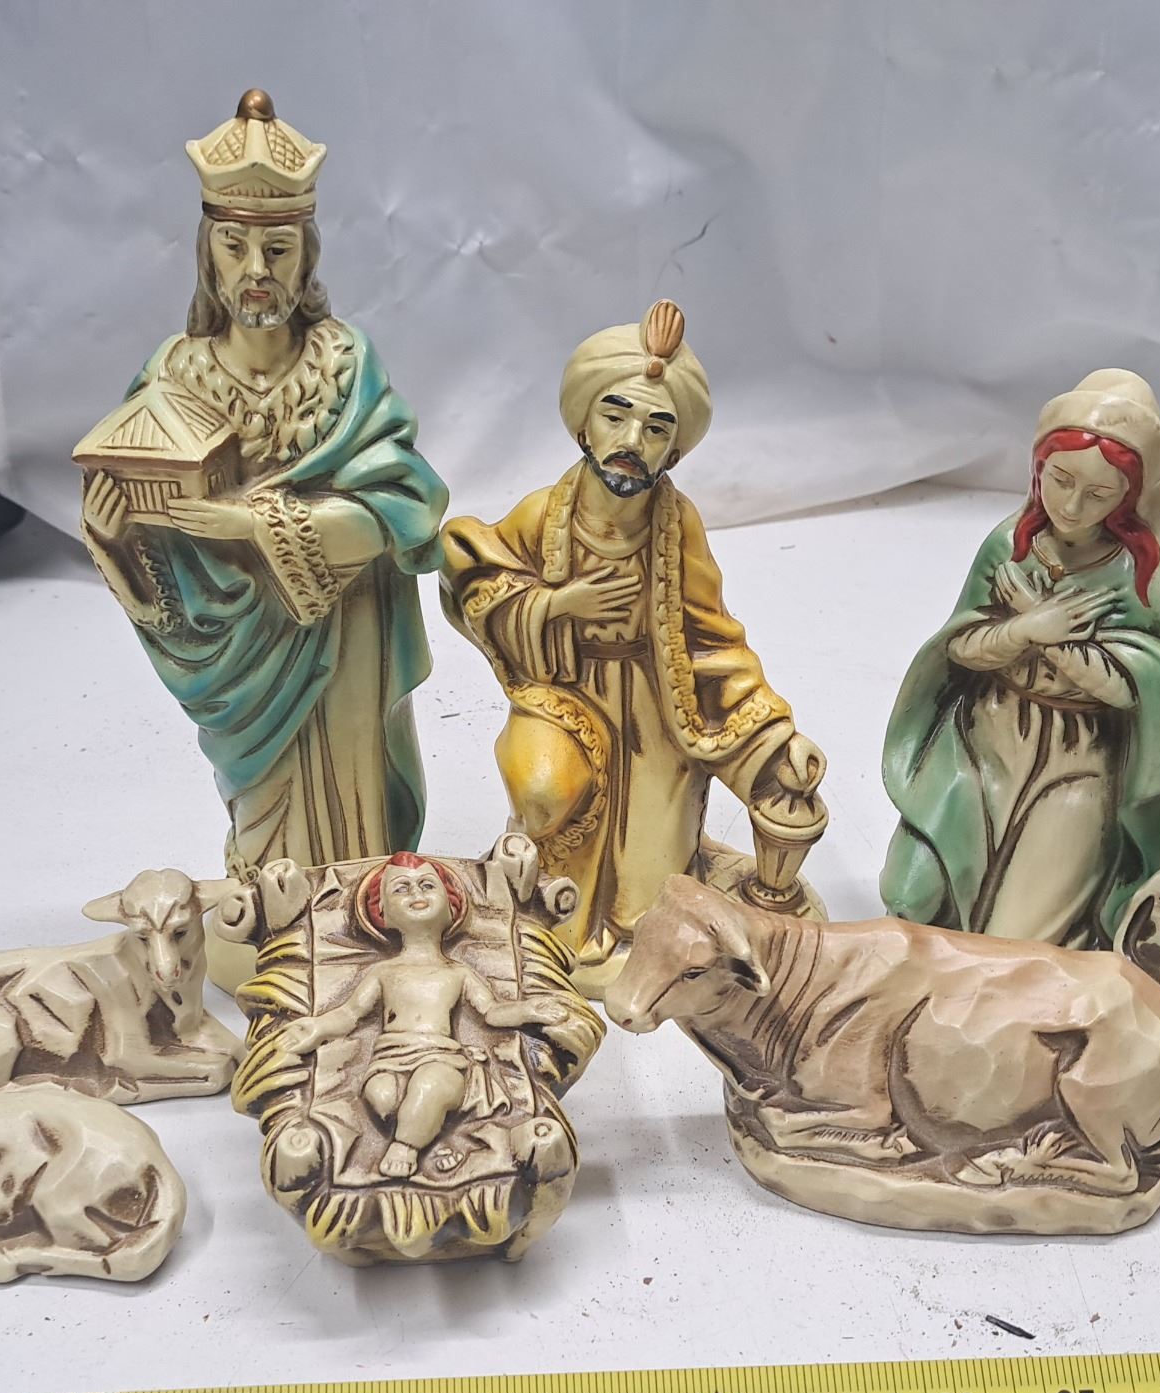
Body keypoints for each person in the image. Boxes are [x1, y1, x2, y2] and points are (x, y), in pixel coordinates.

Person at [77, 91, 446, 897]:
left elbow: (409, 504)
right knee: (267, 811)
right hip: (242, 650)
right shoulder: (175, 376)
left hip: (344, 628)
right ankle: (276, 909)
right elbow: (149, 521)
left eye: (277, 250)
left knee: (352, 806)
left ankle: (361, 907)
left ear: (305, 258)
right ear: (207, 256)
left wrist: (252, 521)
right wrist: (115, 541)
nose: (255, 271)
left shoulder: (345, 363)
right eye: (234, 246)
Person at [440, 299, 825, 996]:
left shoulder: (677, 526)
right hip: (565, 696)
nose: (631, 440)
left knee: (649, 893)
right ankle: (547, 913)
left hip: (656, 708)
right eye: (614, 416)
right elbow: (477, 581)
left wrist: (771, 728)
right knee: (544, 791)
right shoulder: (542, 514)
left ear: (673, 450)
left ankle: (645, 934)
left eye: (656, 427)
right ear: (582, 425)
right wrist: (559, 606)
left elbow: (712, 636)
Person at [881, 370, 1160, 947]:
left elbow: (1146, 684)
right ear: (1039, 469)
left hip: (1079, 761)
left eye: (1099, 494)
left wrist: (1054, 638)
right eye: (1060, 480)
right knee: (913, 897)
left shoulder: (1135, 573)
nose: (1072, 504)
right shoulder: (1008, 543)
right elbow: (958, 647)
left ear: (1127, 497)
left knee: (1019, 937)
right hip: (983, 740)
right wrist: (1024, 629)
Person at [277, 854, 564, 1179]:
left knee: (430, 1085)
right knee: (383, 1095)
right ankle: (433, 1133)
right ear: (383, 913)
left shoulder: (458, 973)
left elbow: (492, 1012)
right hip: (389, 1062)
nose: (416, 893)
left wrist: (529, 1010)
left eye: (427, 885)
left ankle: (406, 1147)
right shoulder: (383, 971)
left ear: (451, 905)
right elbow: (350, 1014)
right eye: (401, 888)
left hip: (443, 1060)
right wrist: (317, 1027)